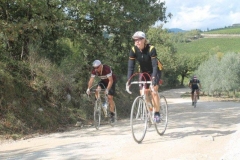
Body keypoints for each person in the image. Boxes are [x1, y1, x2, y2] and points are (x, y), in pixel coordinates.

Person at [127, 31, 162, 123]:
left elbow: (155, 65)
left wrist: (154, 78)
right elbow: (131, 66)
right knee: (143, 93)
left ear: (144, 40)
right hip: (143, 72)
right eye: (135, 40)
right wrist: (129, 80)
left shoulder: (151, 49)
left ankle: (157, 113)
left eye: (139, 39)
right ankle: (149, 110)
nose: (137, 42)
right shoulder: (133, 50)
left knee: (154, 91)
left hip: (155, 70)